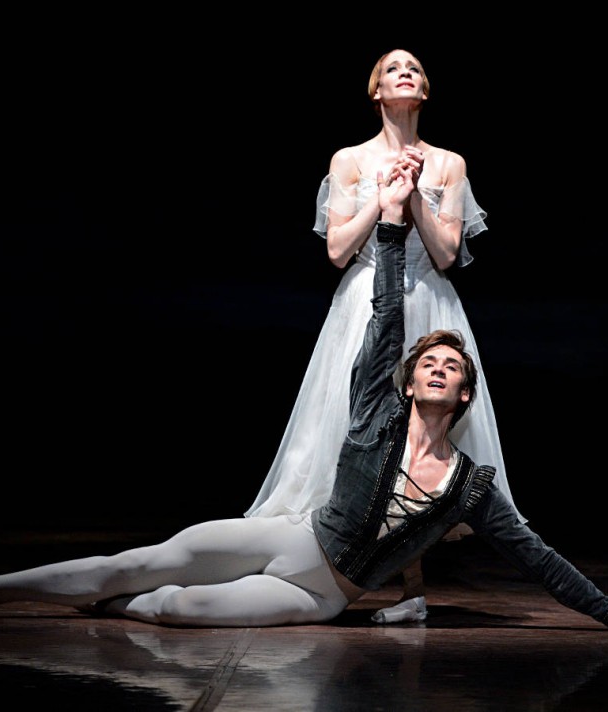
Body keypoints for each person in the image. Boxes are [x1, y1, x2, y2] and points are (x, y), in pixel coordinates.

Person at [0, 167, 608, 639]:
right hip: (284, 536)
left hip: (319, 590)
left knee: (172, 609)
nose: (440, 368)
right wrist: (392, 223)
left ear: (466, 390)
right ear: (411, 382)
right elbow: (384, 319)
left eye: (453, 366)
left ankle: (105, 609)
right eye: (431, 362)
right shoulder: (378, 409)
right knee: (130, 562)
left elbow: (536, 557)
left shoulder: (471, 486)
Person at [246, 48, 521, 623]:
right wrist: (383, 195)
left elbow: (447, 254)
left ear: (424, 92)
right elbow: (338, 249)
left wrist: (416, 192)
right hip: (366, 299)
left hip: (424, 300)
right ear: (376, 90)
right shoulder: (349, 159)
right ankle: (326, 565)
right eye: (394, 67)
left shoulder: (448, 163)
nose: (405, 72)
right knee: (355, 429)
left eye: (415, 69)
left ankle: (410, 588)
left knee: (420, 437)